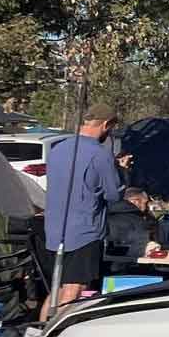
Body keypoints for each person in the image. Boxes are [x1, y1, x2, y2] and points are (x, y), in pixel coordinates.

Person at [38, 104, 121, 319]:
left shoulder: (57, 149)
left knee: (56, 289)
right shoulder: (100, 154)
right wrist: (119, 169)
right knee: (74, 289)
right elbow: (113, 194)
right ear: (106, 125)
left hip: (54, 231)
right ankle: (56, 335)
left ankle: (39, 336)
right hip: (84, 231)